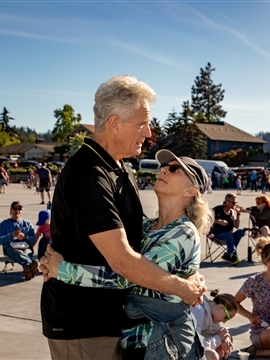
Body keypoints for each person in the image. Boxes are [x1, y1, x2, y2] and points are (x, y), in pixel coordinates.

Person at [39, 75, 206, 360]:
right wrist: (183, 287)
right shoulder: (89, 175)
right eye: (142, 124)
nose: (149, 132)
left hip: (112, 323)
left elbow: (137, 249)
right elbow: (124, 263)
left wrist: (189, 277)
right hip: (82, 322)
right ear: (115, 124)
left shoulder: (119, 169)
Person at [0, 201, 38, 280]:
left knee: (28, 252)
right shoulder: (4, 224)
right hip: (11, 247)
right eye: (15, 208)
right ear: (11, 210)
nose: (17, 211)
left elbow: (33, 239)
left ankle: (28, 269)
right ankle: (31, 265)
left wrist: (25, 237)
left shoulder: (27, 223)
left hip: (25, 246)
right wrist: (11, 236)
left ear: (22, 210)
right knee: (17, 253)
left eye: (20, 209)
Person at [191, 290, 238, 360]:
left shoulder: (212, 315)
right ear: (221, 308)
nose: (224, 322)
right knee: (211, 355)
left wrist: (226, 338)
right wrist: (218, 338)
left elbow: (220, 332)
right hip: (181, 350)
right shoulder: (198, 311)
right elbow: (193, 345)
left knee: (226, 340)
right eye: (227, 317)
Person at [211, 193, 245, 265]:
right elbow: (207, 218)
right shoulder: (217, 209)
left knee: (241, 231)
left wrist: (238, 214)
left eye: (236, 202)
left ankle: (229, 254)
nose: (234, 204)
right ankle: (232, 254)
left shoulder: (232, 212)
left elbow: (236, 226)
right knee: (229, 234)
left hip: (229, 236)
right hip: (217, 234)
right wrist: (218, 221)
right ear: (226, 201)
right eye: (233, 202)